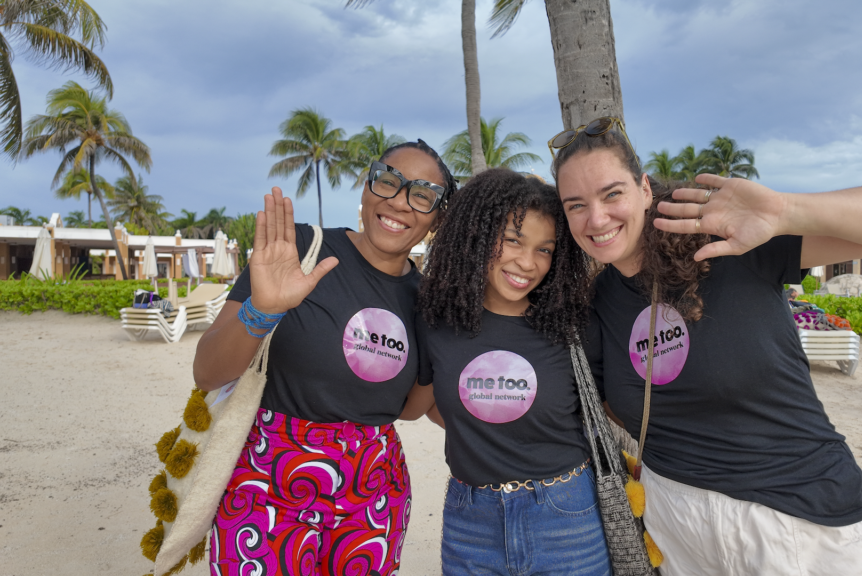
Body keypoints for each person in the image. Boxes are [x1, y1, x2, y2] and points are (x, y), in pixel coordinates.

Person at [549, 118, 862, 575]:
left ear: (644, 188)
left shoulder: (728, 241)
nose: (596, 218)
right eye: (576, 205)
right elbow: (606, 404)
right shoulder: (598, 303)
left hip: (796, 515)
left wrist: (784, 210)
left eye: (612, 194)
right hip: (676, 527)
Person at [192, 140, 457, 576]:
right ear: (367, 186)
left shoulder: (430, 301)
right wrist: (263, 311)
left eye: (422, 195)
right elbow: (207, 372)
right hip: (267, 480)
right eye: (388, 181)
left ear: (437, 217)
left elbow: (409, 410)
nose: (399, 202)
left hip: (372, 489)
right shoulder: (298, 248)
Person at [400, 168, 612, 576]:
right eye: (513, 240)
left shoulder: (573, 326)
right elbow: (419, 406)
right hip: (470, 521)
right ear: (476, 237)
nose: (527, 263)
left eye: (544, 249)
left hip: (566, 517)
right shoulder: (438, 323)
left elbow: (607, 408)